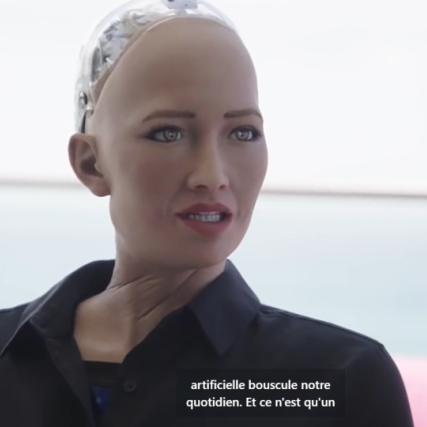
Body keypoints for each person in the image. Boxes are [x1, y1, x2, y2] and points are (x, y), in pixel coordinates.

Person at [0, 0, 414, 426]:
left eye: (243, 132)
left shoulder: (339, 380)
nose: (212, 176)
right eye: (168, 133)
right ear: (91, 163)